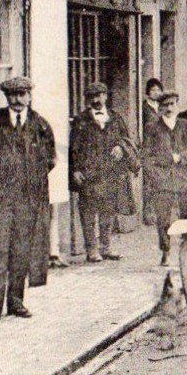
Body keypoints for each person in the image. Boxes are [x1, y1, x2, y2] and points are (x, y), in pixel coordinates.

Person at [0, 76, 56, 323]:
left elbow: (50, 159)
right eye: (12, 95)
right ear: (6, 97)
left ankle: (16, 302)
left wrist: (30, 179)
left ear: (29, 96)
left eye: (22, 94)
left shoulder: (40, 126)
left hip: (27, 201)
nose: (17, 99)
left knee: (21, 250)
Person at [68, 83, 135, 263]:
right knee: (89, 211)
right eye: (92, 97)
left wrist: (121, 147)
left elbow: (127, 139)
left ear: (106, 96)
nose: (96, 100)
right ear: (88, 100)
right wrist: (75, 170)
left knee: (108, 210)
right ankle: (91, 249)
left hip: (111, 171)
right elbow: (73, 148)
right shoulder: (80, 121)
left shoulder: (115, 117)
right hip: (89, 172)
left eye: (100, 95)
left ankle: (106, 246)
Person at [141, 91, 187, 266]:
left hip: (185, 179)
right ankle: (165, 251)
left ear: (177, 105)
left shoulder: (186, 125)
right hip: (163, 180)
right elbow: (146, 155)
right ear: (160, 107)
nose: (169, 108)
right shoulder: (152, 128)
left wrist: (181, 156)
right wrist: (156, 174)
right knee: (164, 219)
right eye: (165, 105)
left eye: (172, 104)